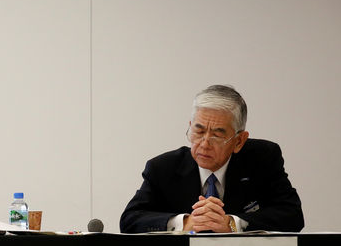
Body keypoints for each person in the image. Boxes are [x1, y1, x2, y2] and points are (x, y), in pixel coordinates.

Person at [120, 85, 304, 233]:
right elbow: (130, 219)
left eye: (217, 135)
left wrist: (232, 224)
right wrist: (185, 222)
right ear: (190, 127)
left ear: (239, 141)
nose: (204, 143)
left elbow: (292, 215)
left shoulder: (263, 159)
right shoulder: (163, 168)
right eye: (198, 131)